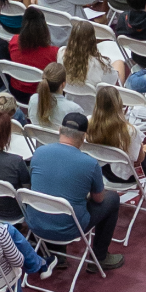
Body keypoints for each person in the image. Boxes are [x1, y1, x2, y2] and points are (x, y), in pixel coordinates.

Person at [26, 110, 121, 271]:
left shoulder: (39, 152)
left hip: (35, 223)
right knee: (112, 198)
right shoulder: (90, 164)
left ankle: (55, 254)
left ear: (59, 130)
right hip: (69, 229)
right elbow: (99, 199)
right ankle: (99, 257)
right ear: (84, 137)